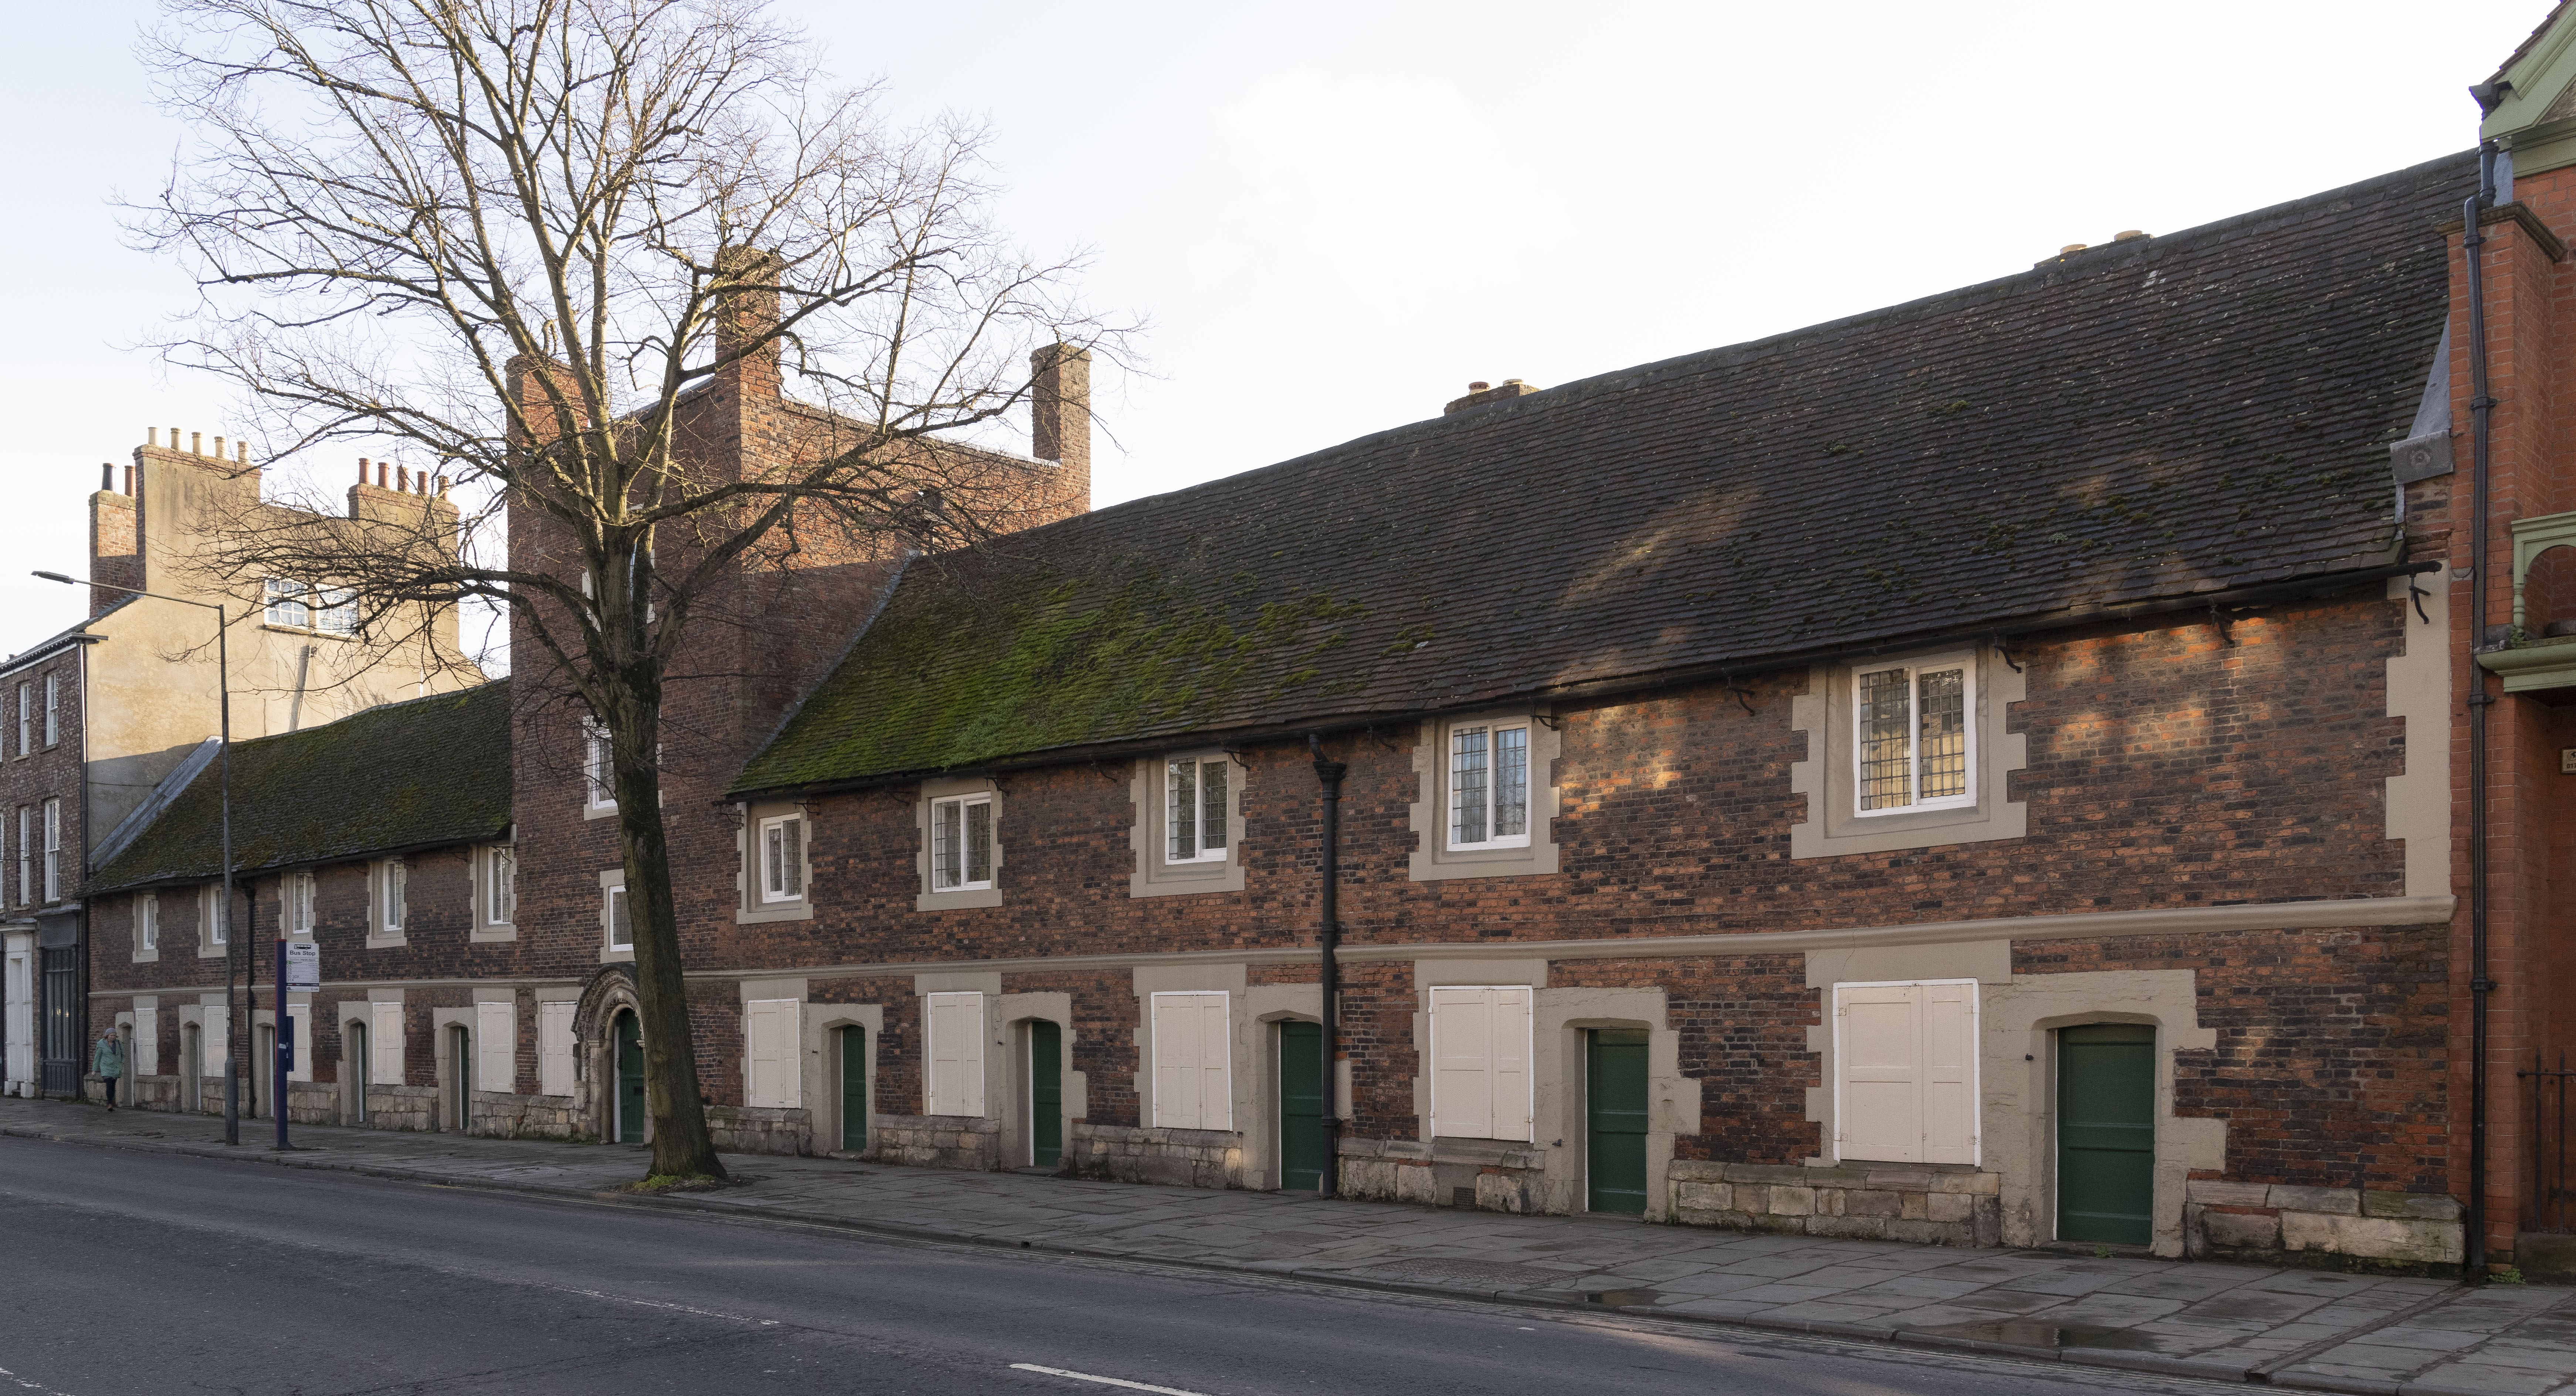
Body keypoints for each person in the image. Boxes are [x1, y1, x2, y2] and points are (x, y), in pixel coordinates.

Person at [92, 1027, 125, 1111]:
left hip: (116, 1067)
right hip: (106, 1067)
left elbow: (123, 1054)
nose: (113, 1037)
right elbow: (97, 1057)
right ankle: (110, 1103)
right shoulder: (101, 1044)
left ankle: (111, 1101)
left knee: (113, 1086)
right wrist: (94, 1070)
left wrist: (121, 1063)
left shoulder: (119, 1043)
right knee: (109, 1084)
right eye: (111, 1035)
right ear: (107, 1036)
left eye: (114, 1036)